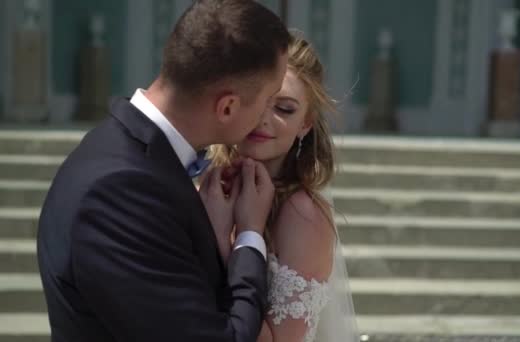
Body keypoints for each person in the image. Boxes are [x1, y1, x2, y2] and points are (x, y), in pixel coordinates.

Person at [36, 1, 290, 341]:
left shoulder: (125, 150)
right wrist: (249, 234)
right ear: (227, 106)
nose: (265, 116)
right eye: (267, 99)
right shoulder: (118, 193)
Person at [207, 33, 359, 342]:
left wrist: (220, 244)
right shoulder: (213, 189)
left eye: (285, 109)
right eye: (256, 101)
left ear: (305, 123)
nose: (263, 119)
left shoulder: (302, 214)